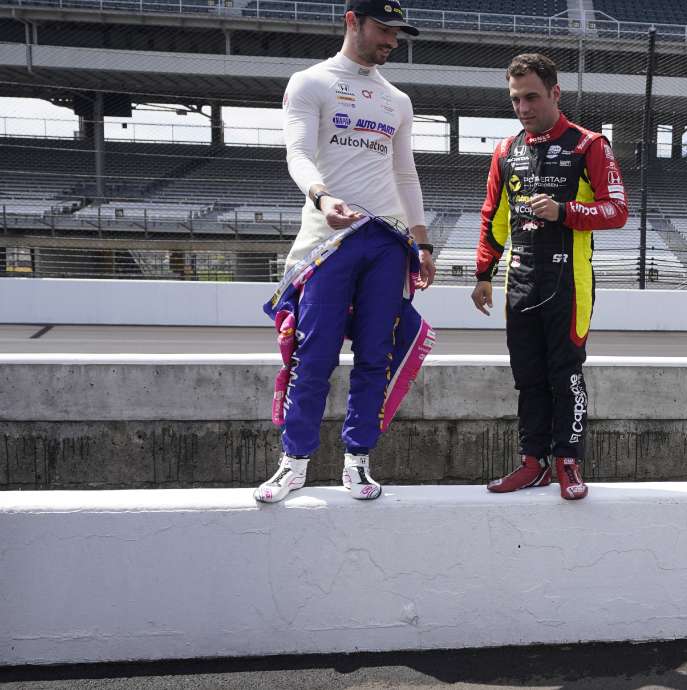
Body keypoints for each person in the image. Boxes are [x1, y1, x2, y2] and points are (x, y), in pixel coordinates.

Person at [254, 0, 437, 504]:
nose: (392, 42)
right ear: (352, 21)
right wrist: (321, 196)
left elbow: (405, 174)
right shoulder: (309, 82)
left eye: (398, 34)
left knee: (375, 355)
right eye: (384, 29)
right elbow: (298, 152)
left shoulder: (396, 99)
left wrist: (421, 241)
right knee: (312, 355)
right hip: (329, 237)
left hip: (386, 240)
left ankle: (358, 462)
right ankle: (294, 463)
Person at [471, 53, 629, 501]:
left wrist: (565, 211)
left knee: (566, 376)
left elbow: (617, 211)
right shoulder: (505, 151)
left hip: (569, 286)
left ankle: (569, 463)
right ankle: (532, 463)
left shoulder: (589, 145)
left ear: (555, 93)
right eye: (516, 99)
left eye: (532, 98)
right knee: (528, 378)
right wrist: (483, 273)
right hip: (518, 285)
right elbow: (493, 218)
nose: (523, 108)